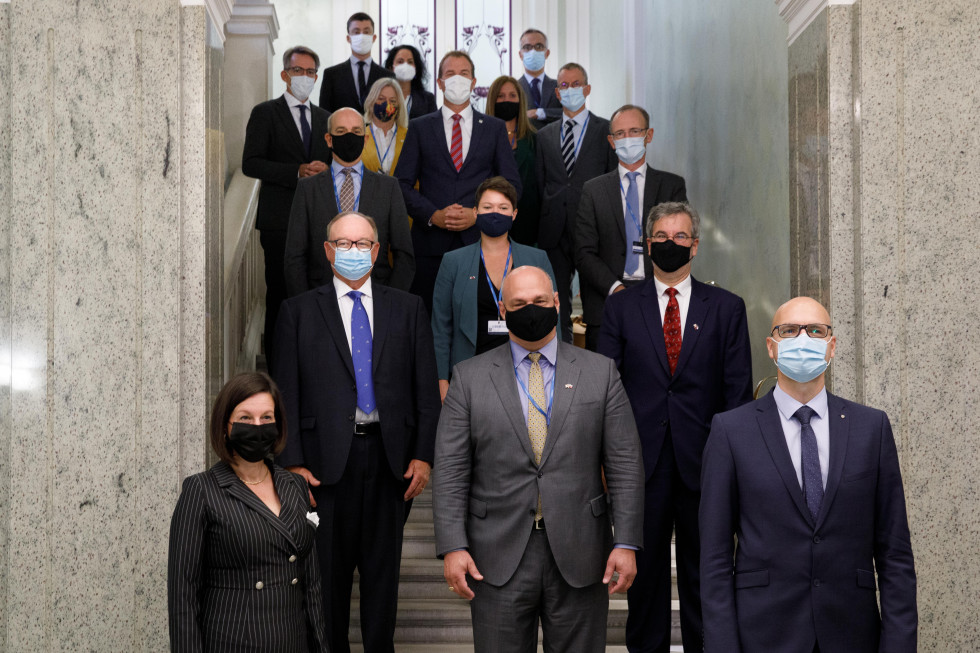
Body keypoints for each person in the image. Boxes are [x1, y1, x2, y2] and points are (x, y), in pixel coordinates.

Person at [433, 265, 645, 653]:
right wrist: (452, 546)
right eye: (518, 303)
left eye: (539, 301)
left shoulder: (601, 373)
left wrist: (627, 541)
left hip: (582, 552)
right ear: (502, 309)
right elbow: (450, 471)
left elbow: (625, 464)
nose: (531, 309)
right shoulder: (468, 377)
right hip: (494, 556)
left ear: (558, 304)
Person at [700, 297, 917, 652]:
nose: (803, 338)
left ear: (831, 346)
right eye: (789, 330)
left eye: (815, 330)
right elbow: (715, 559)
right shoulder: (731, 431)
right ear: (772, 347)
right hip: (764, 635)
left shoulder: (871, 428)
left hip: (853, 634)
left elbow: (895, 555)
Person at [273, 211, 441, 653]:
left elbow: (426, 390)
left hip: (391, 466)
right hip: (325, 471)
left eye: (363, 243)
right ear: (328, 251)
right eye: (343, 244)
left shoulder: (409, 308)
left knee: (383, 588)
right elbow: (285, 394)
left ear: (378, 250)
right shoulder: (297, 312)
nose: (354, 252)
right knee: (326, 586)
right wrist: (292, 462)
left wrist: (424, 456)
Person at [598, 201, 753, 653]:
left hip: (706, 466)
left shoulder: (727, 308)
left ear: (696, 246)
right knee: (643, 589)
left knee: (707, 579)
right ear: (648, 246)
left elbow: (737, 395)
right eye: (661, 237)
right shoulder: (621, 307)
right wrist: (606, 460)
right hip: (637, 468)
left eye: (680, 237)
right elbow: (605, 390)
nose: (670, 244)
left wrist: (734, 467)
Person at [168, 372, 328, 653]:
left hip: (292, 642)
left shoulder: (295, 486)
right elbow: (183, 596)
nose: (257, 426)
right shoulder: (202, 490)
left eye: (267, 418)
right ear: (226, 425)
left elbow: (311, 584)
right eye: (245, 418)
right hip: (234, 642)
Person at [394, 50, 521, 314]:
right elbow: (401, 184)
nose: (457, 80)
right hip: (430, 246)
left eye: (464, 74)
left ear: (474, 81)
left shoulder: (495, 128)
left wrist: (479, 215)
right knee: (430, 323)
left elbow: (511, 185)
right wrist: (433, 215)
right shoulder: (420, 127)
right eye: (450, 74)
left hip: (482, 242)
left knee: (478, 321)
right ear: (439, 82)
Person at [242, 45, 331, 370]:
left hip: (318, 220)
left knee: (316, 290)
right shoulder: (265, 112)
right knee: (280, 290)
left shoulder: (325, 118)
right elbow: (250, 163)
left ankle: (313, 360)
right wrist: (296, 171)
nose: (304, 77)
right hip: (279, 220)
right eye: (298, 71)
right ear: (284, 74)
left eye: (310, 72)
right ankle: (279, 366)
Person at [431, 177, 555, 402]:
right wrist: (441, 381)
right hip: (469, 374)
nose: (495, 213)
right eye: (488, 208)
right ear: (475, 213)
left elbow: (553, 319)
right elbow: (440, 327)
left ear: (514, 214)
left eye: (503, 208)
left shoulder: (537, 258)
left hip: (528, 371)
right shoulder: (453, 262)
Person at [576, 104, 688, 351]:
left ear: (648, 135)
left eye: (634, 131)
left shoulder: (672, 186)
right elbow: (584, 253)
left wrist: (653, 289)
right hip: (606, 302)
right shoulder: (593, 190)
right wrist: (616, 289)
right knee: (604, 383)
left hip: (659, 300)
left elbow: (680, 242)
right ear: (611, 140)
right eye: (620, 133)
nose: (627, 138)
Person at [284, 107, 414, 297]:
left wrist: (390, 301)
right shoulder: (307, 189)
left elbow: (405, 255)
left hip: (377, 295)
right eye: (341, 132)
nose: (349, 137)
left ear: (366, 138)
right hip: (320, 297)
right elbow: (294, 257)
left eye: (356, 132)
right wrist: (306, 305)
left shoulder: (389, 188)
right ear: (329, 139)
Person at [535, 62, 617, 341]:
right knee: (555, 300)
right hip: (553, 231)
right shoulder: (544, 136)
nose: (571, 90)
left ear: (588, 88)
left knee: (595, 298)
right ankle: (560, 351)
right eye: (564, 85)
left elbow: (612, 180)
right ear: (557, 93)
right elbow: (539, 184)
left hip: (593, 227)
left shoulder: (606, 130)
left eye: (577, 83)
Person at [485, 75, 541, 246]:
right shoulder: (482, 138)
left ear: (520, 100)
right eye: (500, 97)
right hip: (491, 220)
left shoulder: (535, 139)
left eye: (512, 96)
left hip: (528, 223)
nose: (506, 100)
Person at [318, 12, 394, 113]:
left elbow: (392, 110)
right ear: (348, 38)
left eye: (366, 32)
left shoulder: (388, 76)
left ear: (374, 38)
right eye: (356, 32)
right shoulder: (332, 75)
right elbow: (324, 113)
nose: (362, 36)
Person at [361, 78, 409, 176]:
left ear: (399, 105)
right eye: (381, 99)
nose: (387, 104)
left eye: (392, 100)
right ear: (371, 102)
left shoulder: (410, 136)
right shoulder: (359, 135)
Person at [516, 28, 562, 129]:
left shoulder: (560, 86)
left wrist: (540, 113)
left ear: (547, 53)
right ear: (520, 55)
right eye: (527, 47)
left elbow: (571, 113)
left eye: (539, 46)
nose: (533, 51)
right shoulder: (513, 88)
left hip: (553, 143)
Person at [383, 43, 438, 119]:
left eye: (410, 62)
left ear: (416, 68)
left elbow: (433, 127)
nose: (405, 65)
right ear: (391, 67)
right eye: (400, 61)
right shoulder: (381, 97)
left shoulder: (427, 99)